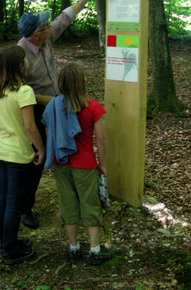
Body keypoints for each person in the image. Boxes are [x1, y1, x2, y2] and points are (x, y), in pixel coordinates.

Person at [16, 0, 104, 229]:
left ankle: (75, 195)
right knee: (35, 158)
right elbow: (20, 92)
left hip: (55, 105)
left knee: (64, 147)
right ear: (35, 35)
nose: (50, 26)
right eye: (45, 26)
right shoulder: (20, 54)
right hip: (36, 109)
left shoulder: (46, 37)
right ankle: (24, 208)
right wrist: (50, 101)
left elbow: (65, 18)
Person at [0, 46, 46, 266]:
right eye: (25, 60)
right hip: (18, 154)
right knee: (14, 202)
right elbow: (29, 127)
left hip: (0, 151)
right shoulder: (24, 91)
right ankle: (10, 250)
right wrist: (41, 148)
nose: (27, 63)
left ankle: (6, 239)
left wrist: (0, 133)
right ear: (19, 66)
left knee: (3, 198)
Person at [42, 62, 114, 265]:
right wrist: (103, 164)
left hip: (61, 162)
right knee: (90, 203)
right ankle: (95, 249)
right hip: (85, 164)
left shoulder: (53, 106)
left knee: (68, 203)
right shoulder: (93, 107)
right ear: (84, 82)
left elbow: (49, 133)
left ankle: (73, 247)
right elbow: (100, 140)